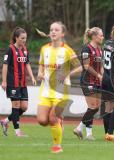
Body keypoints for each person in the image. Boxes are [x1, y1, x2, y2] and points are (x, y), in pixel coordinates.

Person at [37, 21, 79, 153]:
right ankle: (59, 121)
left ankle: (57, 146)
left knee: (52, 118)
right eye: (51, 30)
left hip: (62, 90)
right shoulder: (44, 49)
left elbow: (80, 66)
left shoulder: (67, 50)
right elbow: (42, 64)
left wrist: (68, 73)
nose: (53, 32)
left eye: (56, 30)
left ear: (62, 33)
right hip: (46, 90)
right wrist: (40, 73)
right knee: (42, 120)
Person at [0, 27, 36, 137]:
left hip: (23, 83)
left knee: (24, 107)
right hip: (12, 82)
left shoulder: (25, 49)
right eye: (22, 38)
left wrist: (32, 77)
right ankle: (18, 131)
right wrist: (4, 81)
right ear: (16, 38)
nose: (24, 40)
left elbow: (27, 64)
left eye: (25, 38)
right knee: (15, 105)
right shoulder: (10, 49)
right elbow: (5, 66)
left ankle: (5, 121)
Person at [73, 27, 104, 141]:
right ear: (95, 36)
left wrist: (103, 77)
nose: (102, 37)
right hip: (87, 81)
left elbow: (101, 67)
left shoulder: (100, 49)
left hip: (97, 81)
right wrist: (99, 76)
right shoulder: (86, 48)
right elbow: (86, 66)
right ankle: (80, 128)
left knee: (95, 107)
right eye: (101, 35)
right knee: (93, 107)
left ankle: (88, 133)